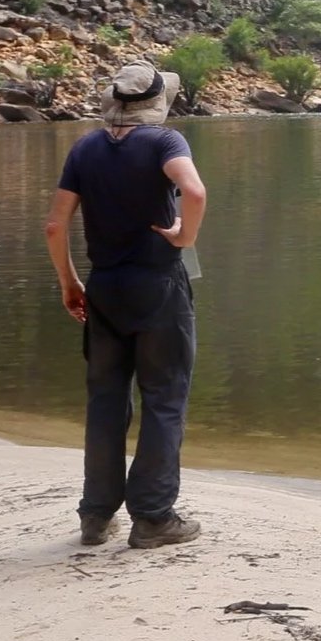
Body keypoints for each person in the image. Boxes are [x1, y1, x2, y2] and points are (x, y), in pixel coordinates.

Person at [44, 61, 207, 549]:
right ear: (158, 103)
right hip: (158, 287)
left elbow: (54, 226)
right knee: (164, 397)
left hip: (105, 288)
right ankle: (154, 518)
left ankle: (95, 516)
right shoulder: (164, 142)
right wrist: (184, 235)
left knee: (106, 401)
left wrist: (70, 283)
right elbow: (194, 192)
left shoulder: (85, 147)